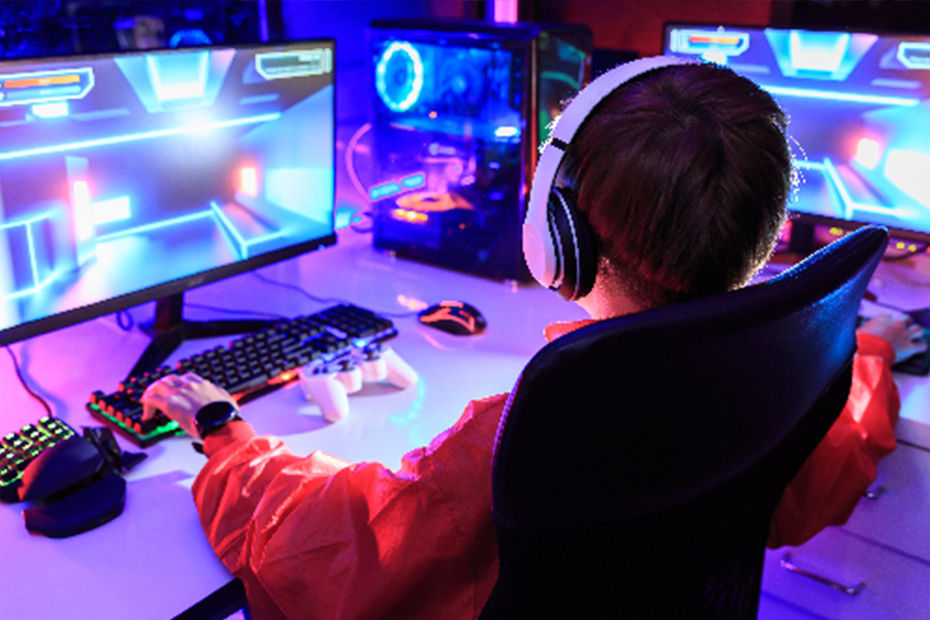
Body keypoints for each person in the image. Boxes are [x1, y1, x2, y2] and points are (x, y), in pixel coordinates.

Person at [141, 59, 927, 619]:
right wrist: (869, 341)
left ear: (559, 238)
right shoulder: (777, 364)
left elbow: (339, 551)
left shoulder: (544, 423)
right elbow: (831, 453)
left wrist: (229, 439)